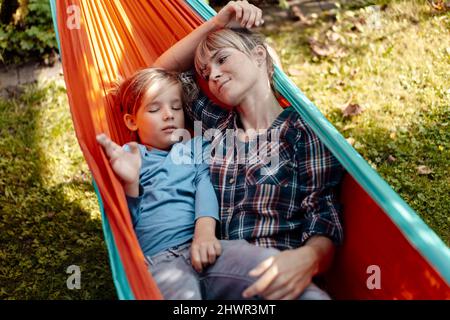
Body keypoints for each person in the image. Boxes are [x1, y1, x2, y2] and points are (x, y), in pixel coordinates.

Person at [154, 0, 345, 300]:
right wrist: (218, 23)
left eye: (222, 59)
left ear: (258, 56)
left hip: (273, 275)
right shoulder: (214, 125)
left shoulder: (302, 133)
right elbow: (158, 75)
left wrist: (306, 259)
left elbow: (321, 215)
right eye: (205, 72)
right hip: (211, 271)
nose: (212, 75)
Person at [96, 67, 303, 300]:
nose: (169, 115)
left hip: (209, 246)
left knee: (269, 269)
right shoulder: (129, 157)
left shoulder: (195, 147)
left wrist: (204, 235)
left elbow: (205, 187)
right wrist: (131, 183)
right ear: (132, 122)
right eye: (155, 109)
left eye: (176, 107)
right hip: (159, 260)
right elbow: (122, 226)